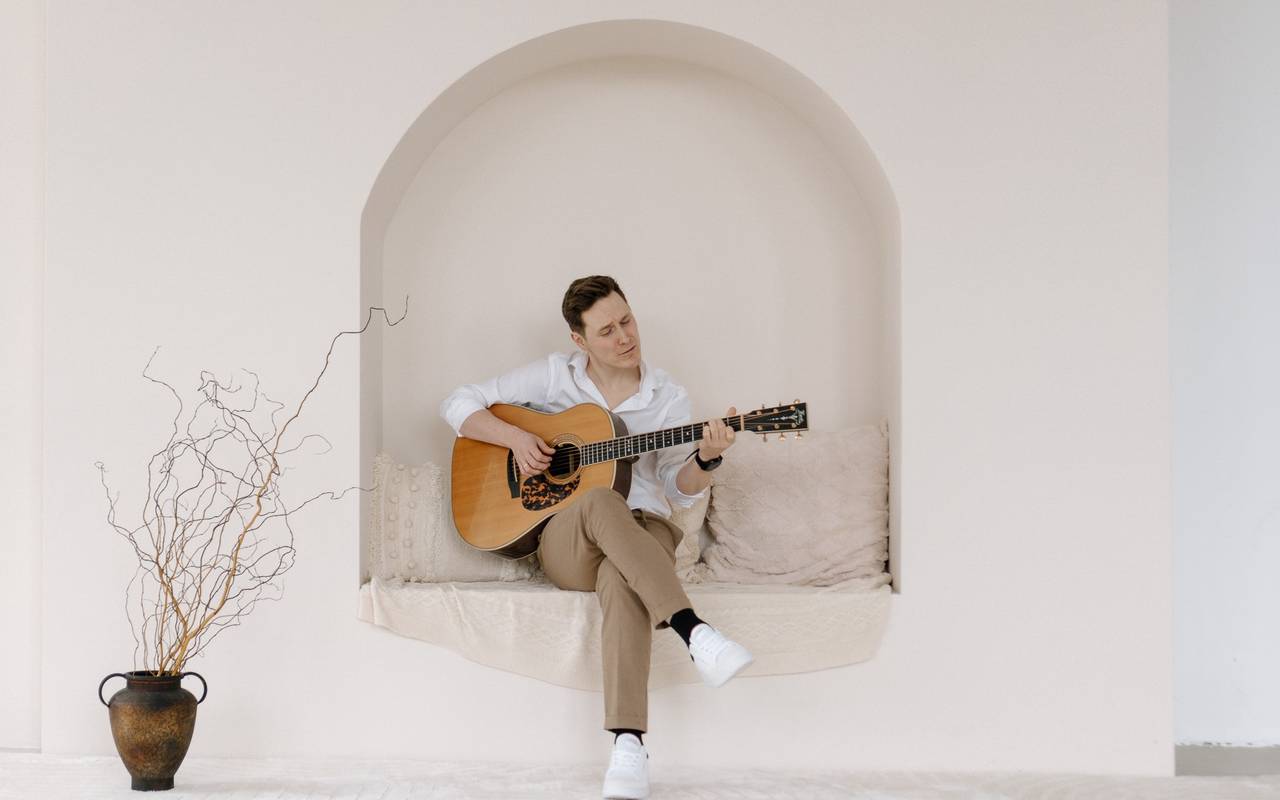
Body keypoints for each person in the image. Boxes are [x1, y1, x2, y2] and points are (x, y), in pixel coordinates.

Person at [439, 275, 753, 800]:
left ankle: (628, 746)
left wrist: (706, 458)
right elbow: (457, 402)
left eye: (627, 321)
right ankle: (695, 631)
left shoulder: (666, 395)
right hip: (571, 542)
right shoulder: (553, 376)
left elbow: (677, 488)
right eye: (606, 331)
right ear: (579, 340)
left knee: (622, 576)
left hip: (645, 533)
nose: (624, 337)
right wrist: (517, 439)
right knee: (601, 499)